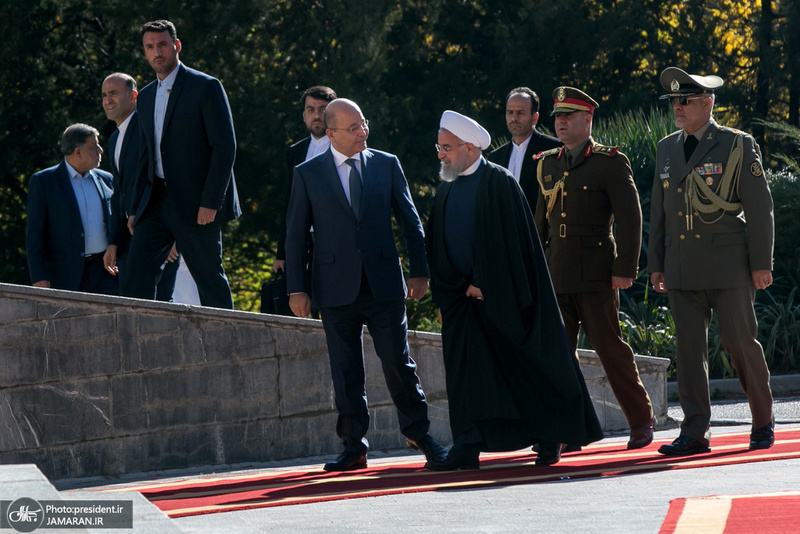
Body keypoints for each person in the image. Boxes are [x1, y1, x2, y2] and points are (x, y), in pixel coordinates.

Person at [426, 110, 603, 471]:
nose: (441, 155)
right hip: (462, 304)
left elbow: (514, 248)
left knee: (526, 369)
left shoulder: (499, 183)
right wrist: (450, 291)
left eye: (446, 148)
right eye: (439, 147)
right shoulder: (446, 186)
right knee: (467, 376)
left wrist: (483, 281)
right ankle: (468, 443)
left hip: (502, 302)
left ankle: (549, 438)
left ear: (470, 148)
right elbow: (438, 246)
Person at [285, 98, 446, 472]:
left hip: (384, 284)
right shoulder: (308, 173)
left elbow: (410, 221)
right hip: (333, 285)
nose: (363, 132)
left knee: (398, 362)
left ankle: (421, 435)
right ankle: (353, 446)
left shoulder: (386, 164)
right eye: (353, 127)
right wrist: (297, 288)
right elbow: (295, 235)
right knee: (345, 370)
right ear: (331, 134)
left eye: (364, 124)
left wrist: (420, 271)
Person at [648, 67, 775, 455]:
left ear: (707, 103)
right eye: (673, 101)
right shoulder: (667, 147)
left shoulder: (736, 144)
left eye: (684, 101)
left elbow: (759, 208)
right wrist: (656, 263)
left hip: (728, 266)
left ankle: (762, 419)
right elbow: (659, 210)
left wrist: (761, 262)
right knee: (688, 352)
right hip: (682, 266)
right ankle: (694, 431)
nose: (677, 108)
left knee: (739, 344)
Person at [533, 87, 655, 451]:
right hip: (557, 274)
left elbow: (631, 220)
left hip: (598, 274)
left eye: (569, 116)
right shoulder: (547, 163)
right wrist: (536, 269)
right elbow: (540, 223)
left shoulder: (609, 162)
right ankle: (562, 431)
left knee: (610, 349)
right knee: (556, 357)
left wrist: (625, 269)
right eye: (557, 117)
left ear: (588, 120)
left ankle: (640, 420)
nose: (561, 123)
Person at [123, 19, 241, 309]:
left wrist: (211, 202)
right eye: (149, 47)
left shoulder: (206, 87)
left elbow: (224, 148)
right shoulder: (147, 95)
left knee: (210, 280)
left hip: (197, 202)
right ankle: (138, 344)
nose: (156, 52)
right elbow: (144, 156)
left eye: (162, 44)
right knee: (134, 276)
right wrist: (135, 208)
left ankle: (227, 344)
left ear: (176, 46)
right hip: (155, 202)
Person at [101, 72, 179, 301]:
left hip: (159, 237)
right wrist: (114, 241)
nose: (108, 100)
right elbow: (119, 194)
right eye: (104, 95)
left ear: (134, 96)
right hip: (129, 241)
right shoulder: (114, 138)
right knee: (132, 305)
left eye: (114, 93)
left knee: (160, 308)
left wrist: (174, 235)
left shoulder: (149, 128)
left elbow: (167, 181)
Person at [26, 123, 118, 295]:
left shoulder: (107, 179)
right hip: (64, 275)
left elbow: (117, 220)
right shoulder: (45, 181)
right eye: (94, 147)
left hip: (105, 272)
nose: (100, 151)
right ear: (77, 152)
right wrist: (38, 277)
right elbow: (34, 234)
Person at [274, 85, 337, 274]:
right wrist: (281, 253)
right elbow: (290, 203)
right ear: (304, 115)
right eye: (311, 110)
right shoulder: (295, 152)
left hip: (337, 241)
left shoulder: (345, 148)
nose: (316, 115)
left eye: (323, 109)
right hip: (302, 243)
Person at [487, 87, 561, 212]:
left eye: (521, 112)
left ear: (535, 117)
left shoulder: (554, 149)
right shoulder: (495, 157)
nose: (514, 118)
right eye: (510, 112)